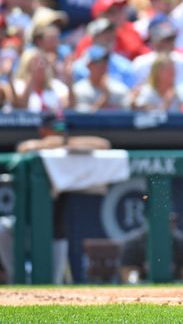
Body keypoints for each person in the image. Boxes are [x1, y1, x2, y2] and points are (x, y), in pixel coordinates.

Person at [0, 112, 111, 284]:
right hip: (23, 227)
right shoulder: (34, 151)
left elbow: (103, 144)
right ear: (43, 131)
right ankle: (17, 278)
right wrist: (53, 144)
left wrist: (64, 143)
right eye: (56, 128)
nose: (61, 132)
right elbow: (24, 147)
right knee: (2, 228)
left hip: (55, 232)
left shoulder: (66, 156)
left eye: (64, 128)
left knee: (52, 284)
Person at [119, 212, 183, 283]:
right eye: (161, 222)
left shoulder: (181, 241)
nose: (169, 225)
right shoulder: (134, 241)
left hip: (173, 285)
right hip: (143, 285)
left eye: (172, 222)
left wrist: (171, 270)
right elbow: (128, 276)